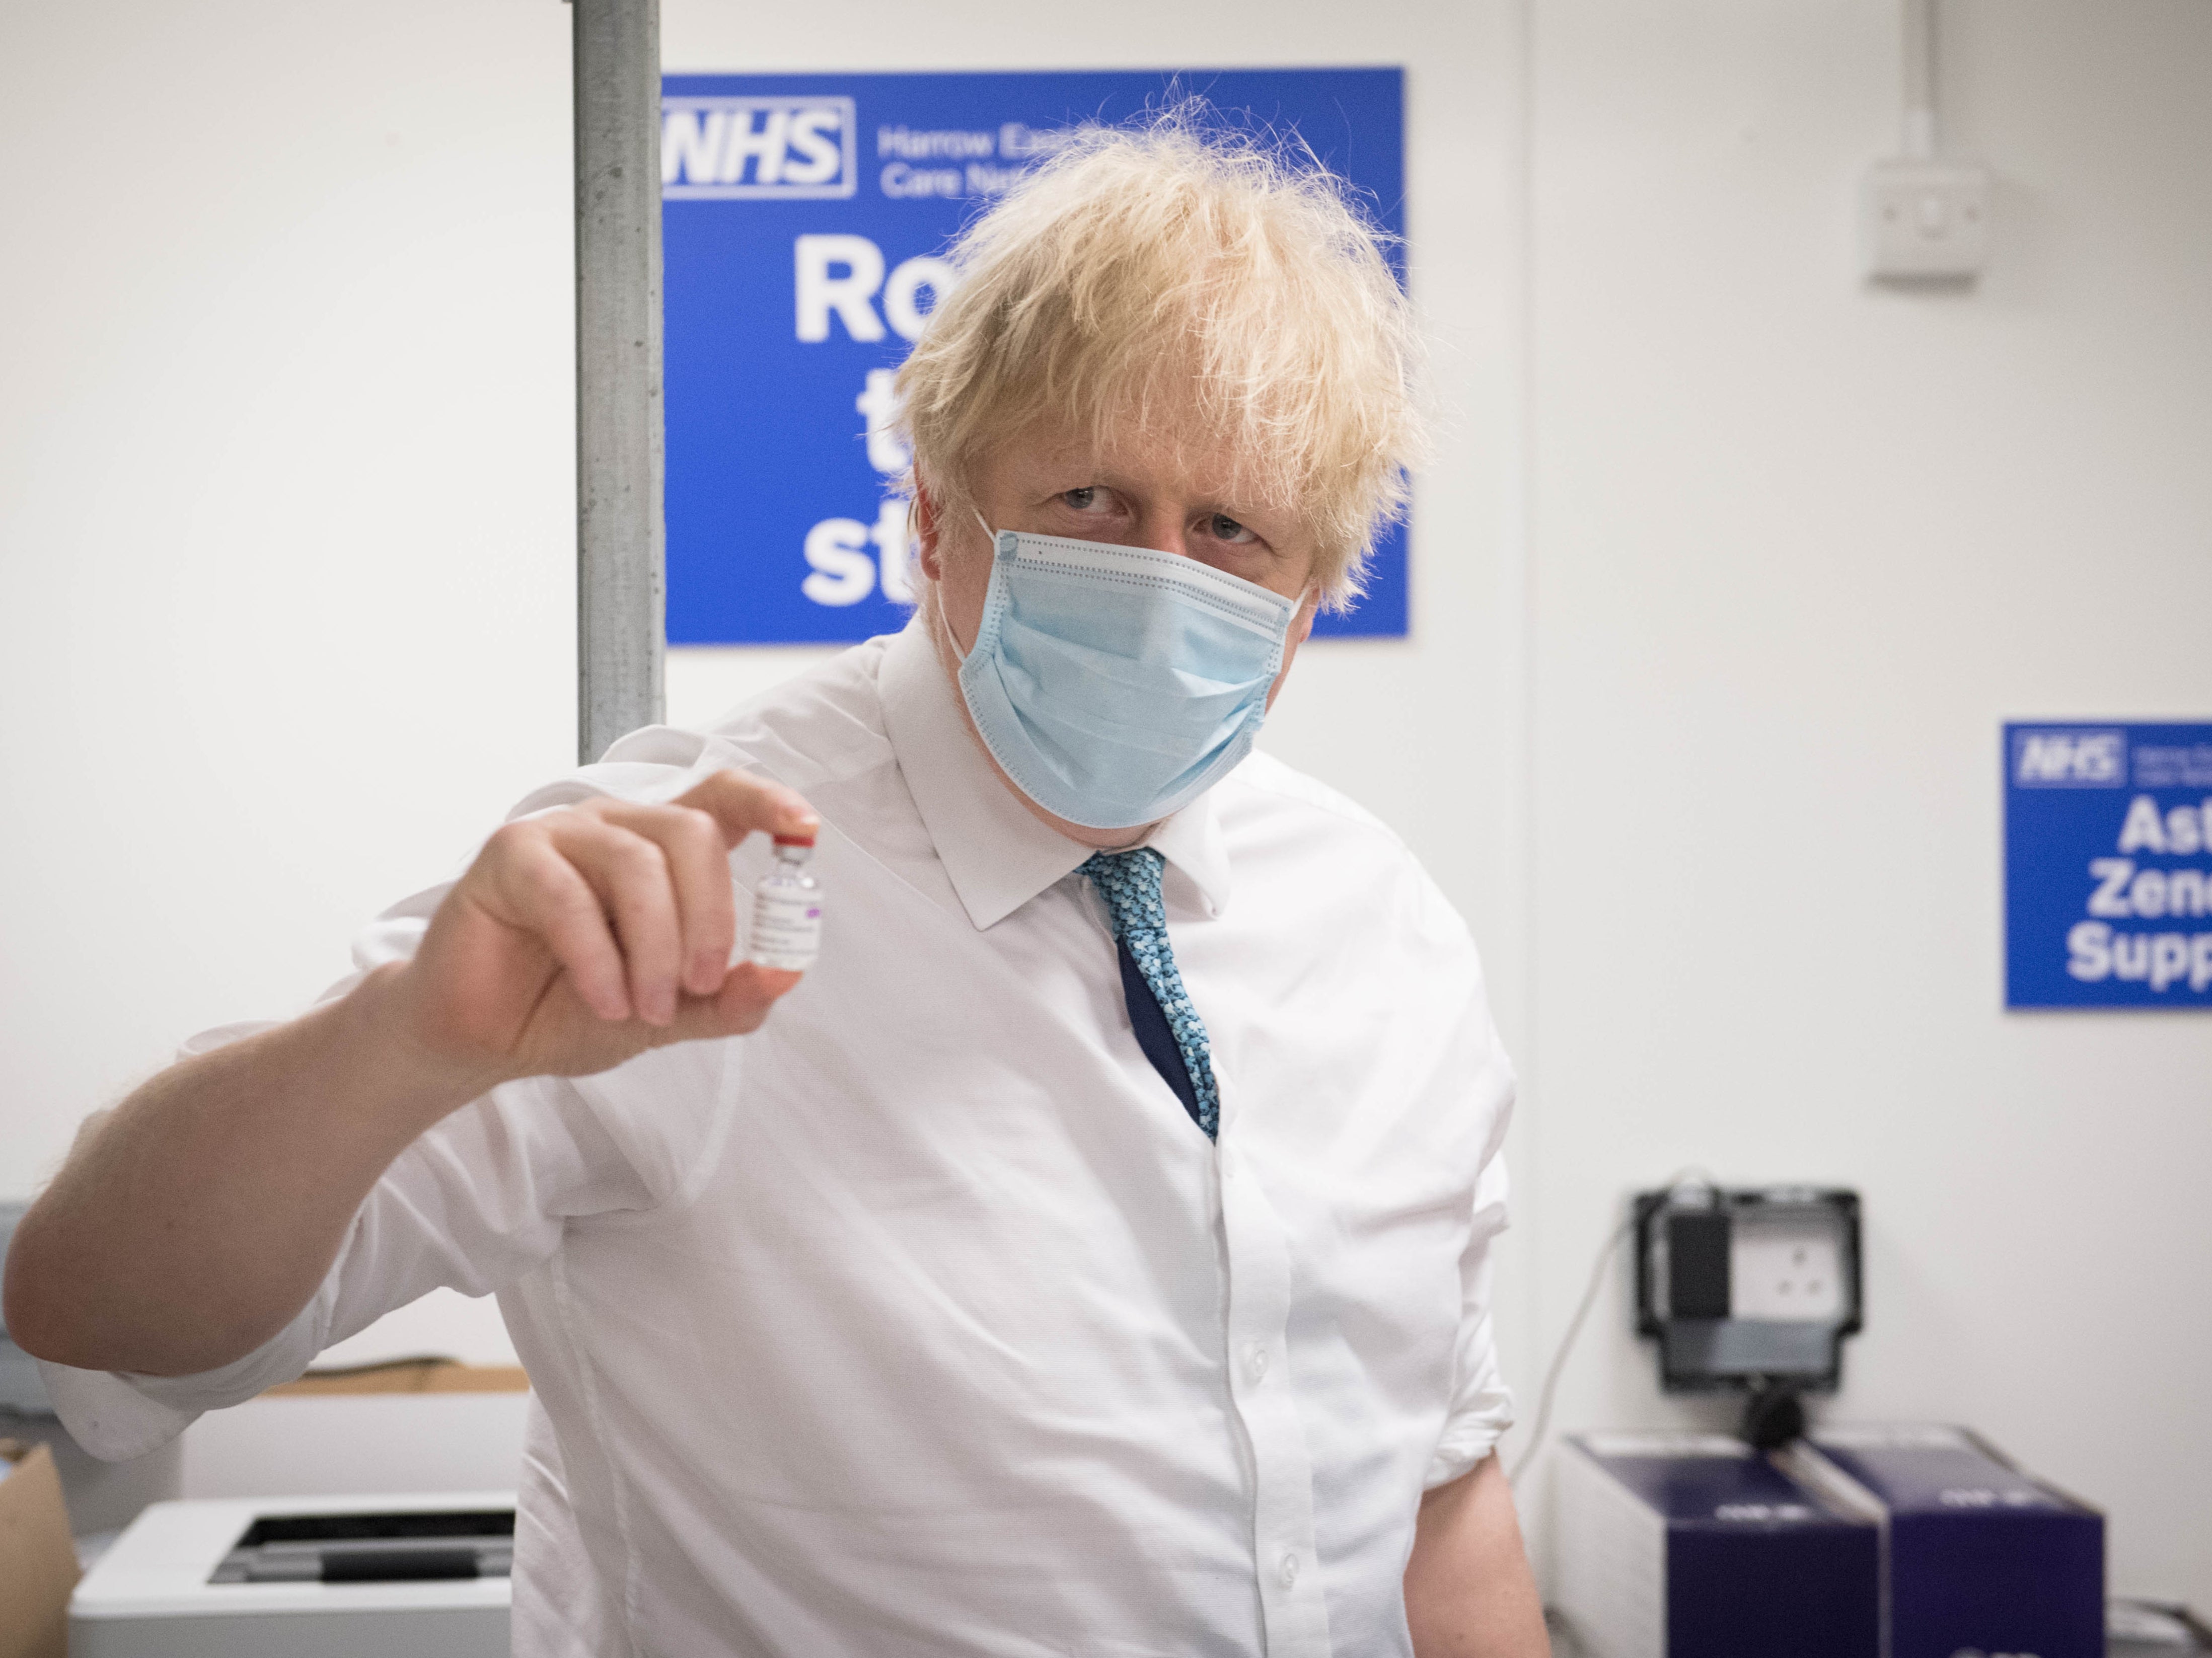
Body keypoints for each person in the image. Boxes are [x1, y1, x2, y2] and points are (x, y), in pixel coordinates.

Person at [5, 118, 1547, 1656]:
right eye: (1087, 500)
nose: (1157, 576)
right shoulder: (664, 887)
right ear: (935, 520)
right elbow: (92, 1318)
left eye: (1228, 532)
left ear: (1300, 613)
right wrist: (400, 1039)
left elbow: (1438, 1481)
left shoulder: (1384, 932)